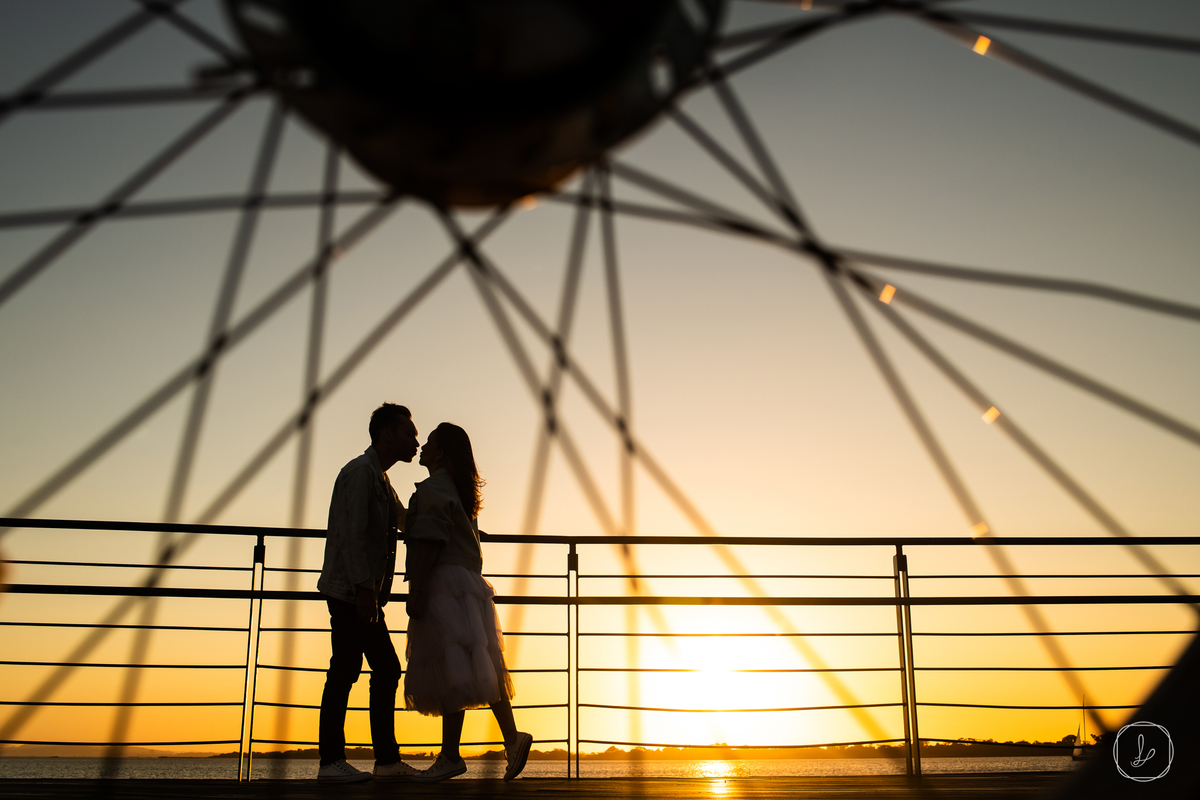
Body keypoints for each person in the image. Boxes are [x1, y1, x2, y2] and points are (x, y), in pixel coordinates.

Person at [403, 422, 533, 783]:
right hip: (469, 583)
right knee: (474, 662)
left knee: (453, 664)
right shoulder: (459, 492)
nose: (423, 448)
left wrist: (416, 589)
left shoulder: (434, 489)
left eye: (429, 443)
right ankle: (505, 739)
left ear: (441, 453)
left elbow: (429, 540)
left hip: (443, 581)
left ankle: (455, 753)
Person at [315, 403, 420, 783]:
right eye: (409, 434)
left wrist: (454, 523)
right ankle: (335, 761)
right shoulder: (361, 473)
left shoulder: (379, 477)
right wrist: (363, 590)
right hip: (351, 591)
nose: (416, 442)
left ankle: (378, 761)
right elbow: (352, 534)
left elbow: (403, 519)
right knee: (353, 670)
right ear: (387, 435)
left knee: (367, 669)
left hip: (361, 592)